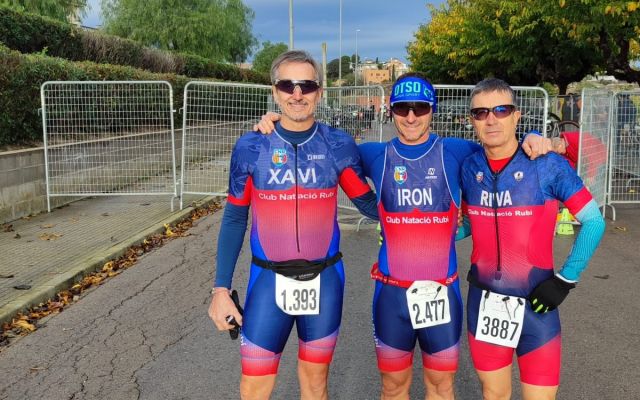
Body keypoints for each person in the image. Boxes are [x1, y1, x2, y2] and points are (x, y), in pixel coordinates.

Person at [255, 73, 560, 400]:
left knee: (441, 389)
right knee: (393, 388)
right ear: (391, 110)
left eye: (419, 107)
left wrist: (533, 135)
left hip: (442, 294)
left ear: (432, 109)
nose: (411, 116)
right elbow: (324, 146)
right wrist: (279, 123)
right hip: (391, 296)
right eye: (402, 108)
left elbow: (501, 140)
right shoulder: (373, 154)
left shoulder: (455, 151)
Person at [207, 50, 379, 400]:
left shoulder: (337, 144)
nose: (297, 93)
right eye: (288, 84)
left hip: (325, 281)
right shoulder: (252, 146)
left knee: (315, 386)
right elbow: (235, 217)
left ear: (319, 92)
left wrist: (426, 213)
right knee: (254, 387)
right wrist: (220, 290)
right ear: (275, 91)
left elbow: (368, 203)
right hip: (267, 281)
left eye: (306, 85)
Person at [460, 78, 606, 400]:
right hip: (484, 305)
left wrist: (565, 280)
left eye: (501, 109)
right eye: (481, 112)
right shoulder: (469, 167)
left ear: (517, 115)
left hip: (538, 305)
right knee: (493, 395)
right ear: (472, 120)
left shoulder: (546, 164)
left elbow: (594, 222)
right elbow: (473, 223)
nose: (491, 119)